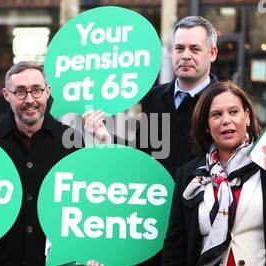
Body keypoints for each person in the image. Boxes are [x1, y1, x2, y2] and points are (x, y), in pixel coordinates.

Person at [161, 81, 266, 266]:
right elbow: (174, 248)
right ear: (206, 126)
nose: (226, 120)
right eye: (216, 114)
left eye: (233, 112)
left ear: (248, 116)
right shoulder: (188, 175)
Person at [0, 61, 87, 266]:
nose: (30, 100)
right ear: (6, 94)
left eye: (36, 90)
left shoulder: (70, 140)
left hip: (56, 264)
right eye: (20, 92)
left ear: (47, 92)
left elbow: (86, 201)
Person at [84, 15, 218, 178]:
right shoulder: (154, 97)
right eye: (179, 48)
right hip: (156, 198)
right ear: (171, 52)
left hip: (201, 201)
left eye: (195, 49)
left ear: (212, 53)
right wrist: (106, 137)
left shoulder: (223, 102)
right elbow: (143, 154)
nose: (185, 56)